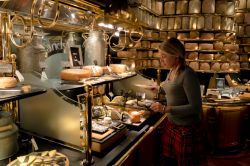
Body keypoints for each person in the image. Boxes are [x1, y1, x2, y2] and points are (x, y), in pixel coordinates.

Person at [150, 38, 207, 166]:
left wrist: (166, 109)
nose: (161, 60)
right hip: (172, 126)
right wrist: (158, 89)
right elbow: (173, 92)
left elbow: (195, 107)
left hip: (186, 130)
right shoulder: (171, 70)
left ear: (176, 55)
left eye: (164, 56)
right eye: (160, 56)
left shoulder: (188, 74)